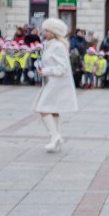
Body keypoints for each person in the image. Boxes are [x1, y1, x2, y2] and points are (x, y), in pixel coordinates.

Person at [31, 18, 78, 152]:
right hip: (52, 81)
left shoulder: (57, 45)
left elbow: (62, 67)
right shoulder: (50, 44)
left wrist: (45, 71)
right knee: (54, 109)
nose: (45, 32)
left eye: (47, 30)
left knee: (43, 108)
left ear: (54, 32)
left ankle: (55, 136)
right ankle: (55, 138)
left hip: (57, 82)